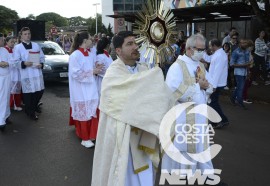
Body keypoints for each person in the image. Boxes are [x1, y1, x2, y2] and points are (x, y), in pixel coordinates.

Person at [91, 31, 174, 186]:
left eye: (136, 43)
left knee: (145, 176)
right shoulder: (112, 74)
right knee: (125, 176)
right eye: (129, 44)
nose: (135, 46)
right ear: (118, 51)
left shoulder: (144, 70)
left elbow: (158, 98)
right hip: (123, 137)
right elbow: (125, 103)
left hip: (145, 134)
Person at [161, 34, 227, 186]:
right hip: (184, 117)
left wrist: (207, 87)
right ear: (189, 49)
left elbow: (211, 84)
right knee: (185, 150)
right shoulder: (177, 66)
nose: (202, 53)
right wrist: (199, 87)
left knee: (202, 147)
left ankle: (208, 177)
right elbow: (173, 91)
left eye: (204, 50)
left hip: (199, 115)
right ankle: (183, 178)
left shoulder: (200, 65)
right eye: (199, 50)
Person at [68, 31, 103, 148]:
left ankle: (92, 134)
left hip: (91, 87)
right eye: (90, 38)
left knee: (92, 111)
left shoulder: (90, 53)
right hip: (80, 89)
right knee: (84, 113)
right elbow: (75, 74)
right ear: (84, 41)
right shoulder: (75, 55)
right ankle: (85, 138)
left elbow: (90, 67)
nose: (91, 40)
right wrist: (92, 71)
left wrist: (96, 67)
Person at [13, 27, 45, 120]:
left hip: (37, 73)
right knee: (29, 95)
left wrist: (41, 64)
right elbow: (15, 62)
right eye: (25, 34)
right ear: (21, 36)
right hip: (27, 73)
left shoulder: (36, 45)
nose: (28, 35)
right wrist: (24, 63)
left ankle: (33, 107)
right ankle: (30, 112)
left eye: (29, 33)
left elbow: (42, 57)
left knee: (39, 92)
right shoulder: (18, 47)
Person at [208, 39, 229, 129]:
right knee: (212, 102)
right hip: (215, 83)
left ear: (214, 45)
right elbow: (210, 59)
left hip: (217, 84)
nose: (209, 47)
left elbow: (217, 73)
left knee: (213, 102)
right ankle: (214, 121)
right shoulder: (218, 53)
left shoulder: (220, 55)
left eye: (210, 45)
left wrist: (213, 86)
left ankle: (222, 120)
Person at [230, 38, 251, 109]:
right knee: (241, 88)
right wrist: (243, 65)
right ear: (239, 44)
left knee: (239, 87)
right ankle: (240, 102)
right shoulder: (236, 52)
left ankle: (232, 98)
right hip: (238, 73)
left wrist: (248, 72)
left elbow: (248, 63)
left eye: (245, 42)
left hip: (245, 73)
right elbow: (232, 64)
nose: (244, 44)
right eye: (242, 43)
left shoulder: (247, 51)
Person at [4, 37, 22, 111]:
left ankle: (17, 103)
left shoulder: (14, 50)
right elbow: (8, 62)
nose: (13, 44)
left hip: (16, 72)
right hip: (10, 72)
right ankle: (12, 105)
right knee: (11, 90)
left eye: (14, 42)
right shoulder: (5, 51)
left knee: (16, 89)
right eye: (11, 42)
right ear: (7, 42)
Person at [0, 33, 11, 132]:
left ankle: (5, 117)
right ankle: (2, 120)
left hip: (6, 77)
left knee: (6, 98)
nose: (3, 41)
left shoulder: (4, 50)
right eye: (2, 40)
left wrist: (6, 63)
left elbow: (11, 61)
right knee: (1, 99)